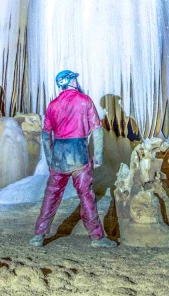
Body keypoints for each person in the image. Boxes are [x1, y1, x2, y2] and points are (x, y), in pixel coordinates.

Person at [30, 70, 117, 248]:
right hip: (79, 153)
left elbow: (46, 135)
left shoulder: (53, 105)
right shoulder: (84, 101)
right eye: (74, 78)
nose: (77, 81)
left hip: (59, 155)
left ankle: (39, 235)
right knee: (86, 196)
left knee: (51, 195)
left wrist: (49, 159)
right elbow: (97, 129)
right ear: (69, 81)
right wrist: (98, 154)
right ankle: (96, 237)